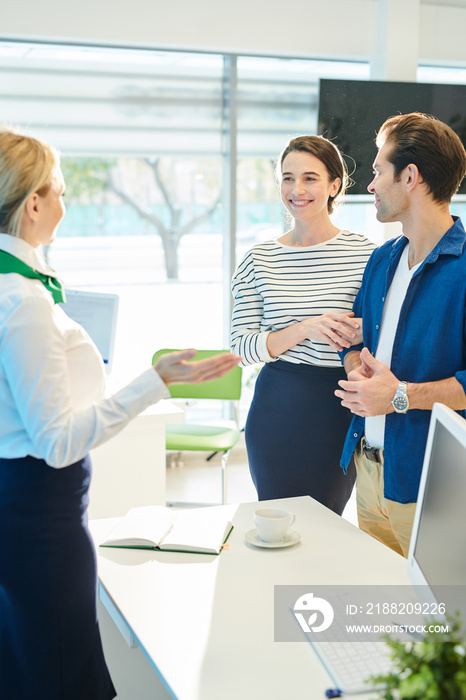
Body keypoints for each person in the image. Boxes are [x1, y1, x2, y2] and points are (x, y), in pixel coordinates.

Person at [0, 127, 240, 700]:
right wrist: (157, 382)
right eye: (58, 190)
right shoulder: (23, 301)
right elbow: (58, 442)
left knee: (29, 666)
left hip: (21, 505)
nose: (65, 202)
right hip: (42, 518)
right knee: (62, 671)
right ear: (34, 203)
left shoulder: (19, 288)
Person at [335, 112, 466, 557]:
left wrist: (399, 396)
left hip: (432, 485)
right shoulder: (383, 259)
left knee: (438, 622)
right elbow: (355, 342)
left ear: (410, 176)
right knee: (385, 616)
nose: (369, 185)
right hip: (369, 474)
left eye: (377, 171)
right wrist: (357, 369)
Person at [231, 135, 375, 513]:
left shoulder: (367, 254)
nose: (297, 189)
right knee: (276, 522)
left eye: (310, 178)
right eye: (287, 178)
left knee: (325, 522)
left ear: (334, 186)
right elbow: (241, 346)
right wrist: (305, 328)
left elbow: (380, 331)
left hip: (341, 406)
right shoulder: (258, 260)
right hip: (278, 405)